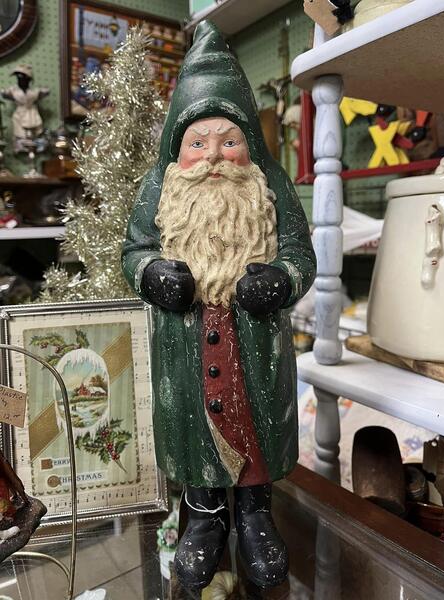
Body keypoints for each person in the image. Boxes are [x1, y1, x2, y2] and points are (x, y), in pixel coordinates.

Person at [122, 20, 316, 590]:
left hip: (255, 344)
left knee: (256, 431)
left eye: (228, 141)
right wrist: (153, 273)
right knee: (193, 433)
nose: (214, 156)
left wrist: (280, 280)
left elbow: (300, 253)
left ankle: (256, 516)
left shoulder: (270, 185)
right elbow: (134, 249)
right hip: (184, 345)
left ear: (248, 143)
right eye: (198, 143)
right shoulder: (159, 188)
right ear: (177, 147)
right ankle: (204, 519)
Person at [1, 64, 49, 150]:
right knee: (20, 135)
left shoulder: (34, 92)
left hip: (32, 114)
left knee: (34, 135)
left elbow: (46, 92)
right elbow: (4, 94)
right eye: (18, 77)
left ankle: (33, 145)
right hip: (19, 116)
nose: (20, 80)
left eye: (23, 77)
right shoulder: (13, 91)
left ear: (28, 79)